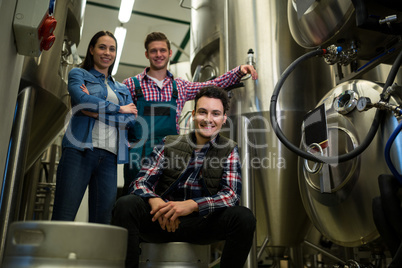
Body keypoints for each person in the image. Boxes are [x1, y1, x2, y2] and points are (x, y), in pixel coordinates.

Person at [112, 86, 256, 268]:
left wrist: (193, 206)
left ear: (224, 119)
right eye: (203, 112)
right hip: (162, 221)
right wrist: (156, 203)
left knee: (244, 218)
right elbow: (140, 182)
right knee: (126, 204)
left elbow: (231, 195)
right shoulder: (169, 143)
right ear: (194, 114)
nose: (208, 119)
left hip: (202, 224)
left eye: (216, 114)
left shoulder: (229, 149)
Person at [122, 31, 258, 194]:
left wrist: (239, 71)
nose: (159, 54)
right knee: (134, 199)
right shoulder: (130, 84)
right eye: (153, 51)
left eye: (163, 50)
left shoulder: (180, 86)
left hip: (170, 153)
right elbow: (121, 121)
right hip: (138, 154)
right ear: (147, 54)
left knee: (167, 198)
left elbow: (213, 85)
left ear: (170, 53)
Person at [52, 30, 137, 224]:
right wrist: (120, 109)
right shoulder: (78, 74)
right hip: (79, 150)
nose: (107, 52)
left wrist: (96, 112)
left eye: (112, 49)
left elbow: (131, 121)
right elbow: (82, 100)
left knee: (102, 221)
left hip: (109, 157)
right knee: (63, 216)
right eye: (102, 47)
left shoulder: (122, 88)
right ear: (91, 50)